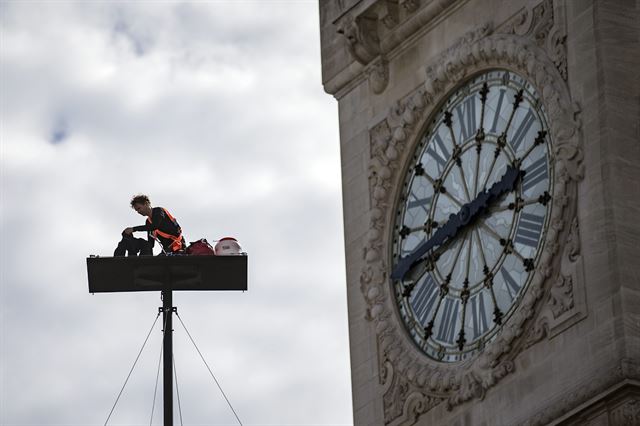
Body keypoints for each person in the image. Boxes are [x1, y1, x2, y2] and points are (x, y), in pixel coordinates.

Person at [115, 194, 186, 256]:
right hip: (167, 250)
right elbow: (150, 244)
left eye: (139, 208)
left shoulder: (159, 211)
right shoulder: (148, 222)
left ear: (146, 203)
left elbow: (154, 226)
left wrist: (133, 229)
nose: (138, 212)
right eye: (137, 210)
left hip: (178, 247)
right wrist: (133, 242)